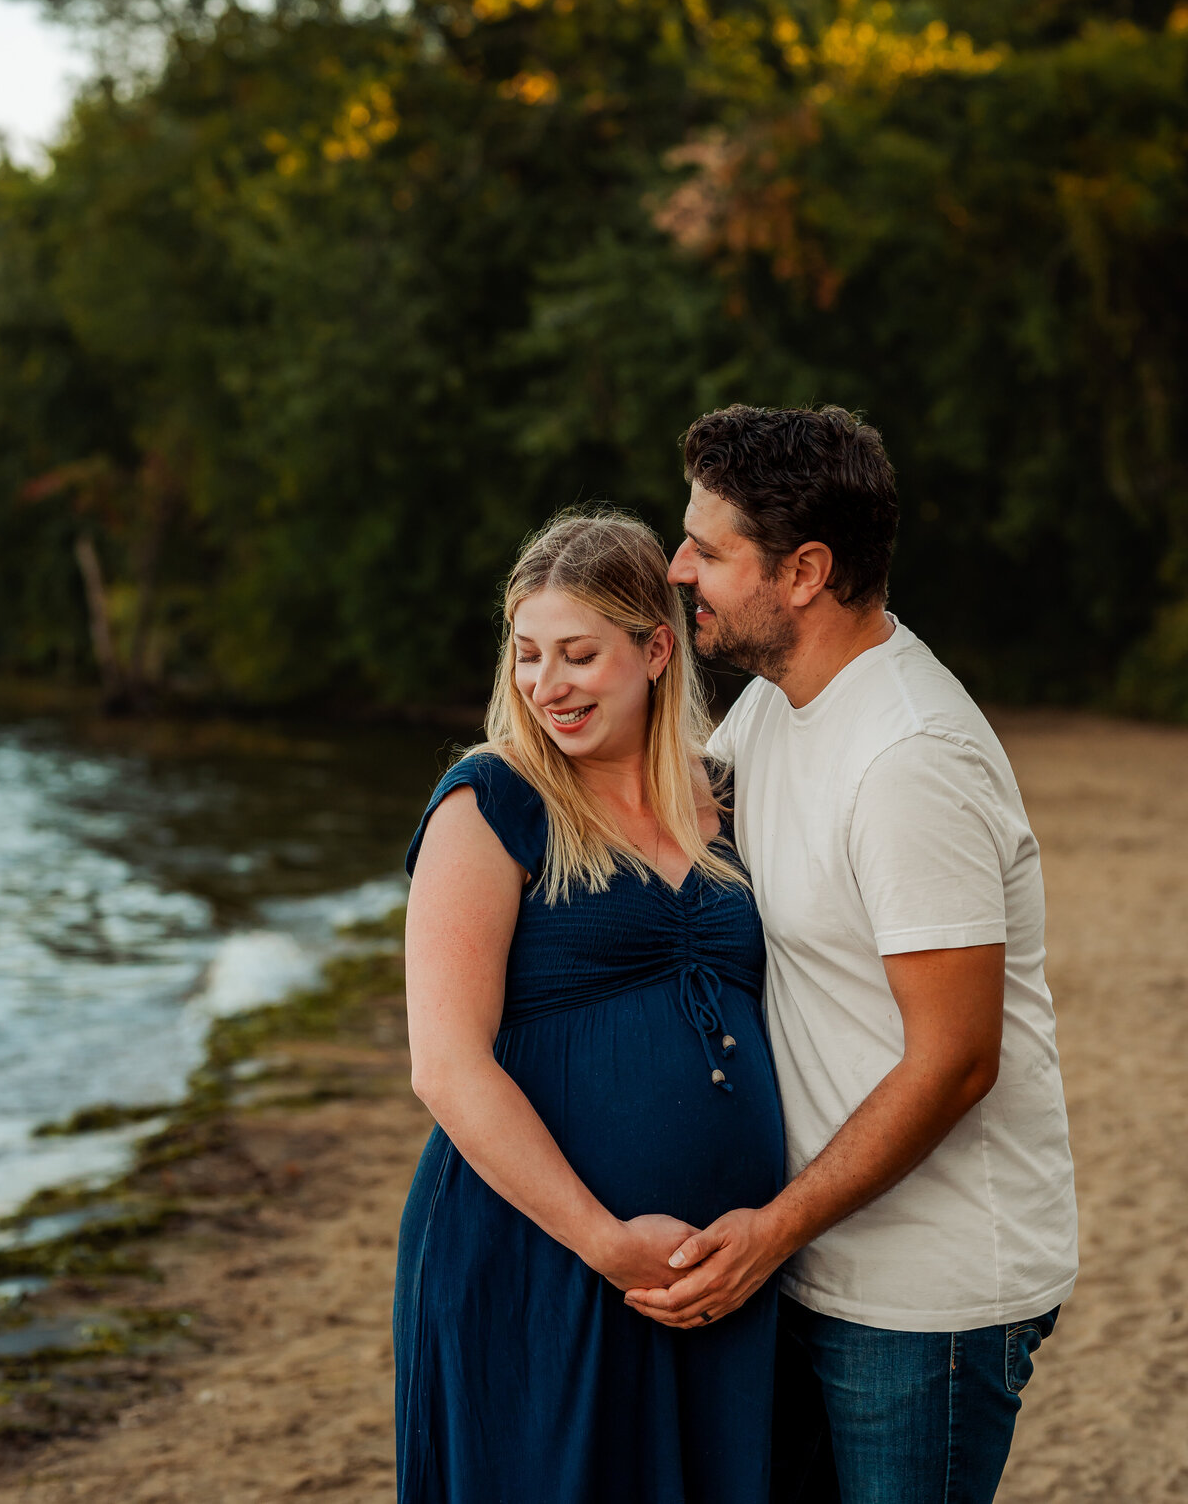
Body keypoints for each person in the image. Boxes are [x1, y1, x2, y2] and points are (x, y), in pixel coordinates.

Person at [627, 403, 1078, 1504]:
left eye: (710, 548)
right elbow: (662, 815)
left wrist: (767, 1229)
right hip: (816, 1259)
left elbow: (956, 1058)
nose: (680, 567)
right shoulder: (781, 707)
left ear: (805, 571)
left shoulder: (909, 759)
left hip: (927, 1293)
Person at [394, 511, 795, 1504]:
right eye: (528, 655)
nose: (546, 683)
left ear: (656, 648)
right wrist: (598, 1235)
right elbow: (445, 1063)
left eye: (578, 654)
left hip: (723, 1267)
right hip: (538, 1249)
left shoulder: (733, 803)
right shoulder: (490, 802)